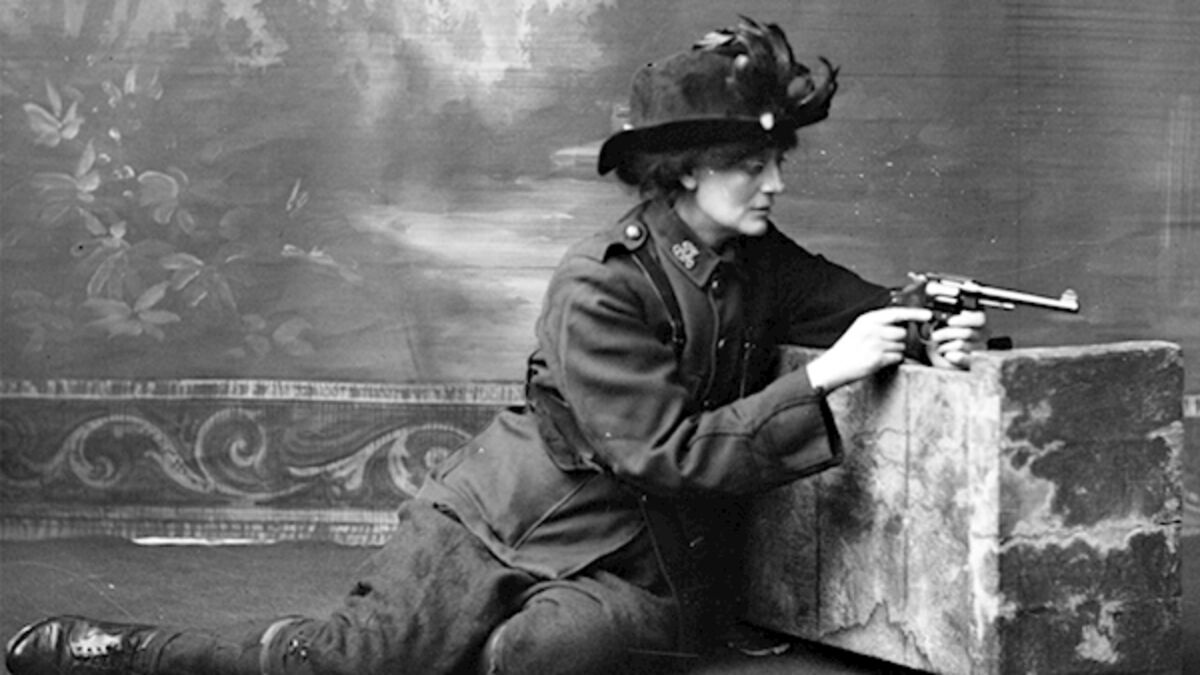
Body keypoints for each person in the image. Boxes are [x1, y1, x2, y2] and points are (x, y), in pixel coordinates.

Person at [4, 16, 989, 675]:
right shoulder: (602, 282)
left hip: (635, 561)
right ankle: (105, 649)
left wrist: (939, 326)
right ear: (685, 171)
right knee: (343, 663)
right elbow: (664, 454)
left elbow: (869, 305)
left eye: (777, 160)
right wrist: (826, 376)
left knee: (549, 657)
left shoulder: (759, 259)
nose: (775, 183)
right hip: (502, 522)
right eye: (750, 164)